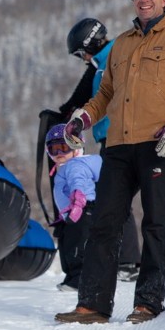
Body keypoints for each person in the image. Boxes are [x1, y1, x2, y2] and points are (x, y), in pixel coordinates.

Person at [55, 0, 165, 325]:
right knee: (104, 223)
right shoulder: (123, 44)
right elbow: (105, 95)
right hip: (119, 146)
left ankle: (147, 303)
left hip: (161, 144)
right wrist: (82, 119)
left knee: (157, 222)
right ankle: (93, 305)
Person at [57, 17, 141, 282]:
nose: (83, 59)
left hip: (120, 138)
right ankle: (125, 260)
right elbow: (88, 85)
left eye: (82, 53)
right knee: (113, 196)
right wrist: (69, 108)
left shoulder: (110, 61)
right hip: (114, 137)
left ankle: (127, 262)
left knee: (116, 196)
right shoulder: (103, 61)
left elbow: (101, 96)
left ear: (90, 46)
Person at [45, 124, 102, 293]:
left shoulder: (75, 166)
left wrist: (77, 204)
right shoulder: (67, 167)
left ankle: (78, 280)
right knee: (68, 245)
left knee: (77, 246)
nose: (59, 154)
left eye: (64, 148)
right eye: (54, 149)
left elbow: (78, 185)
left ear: (77, 148)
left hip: (81, 211)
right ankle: (72, 278)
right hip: (73, 213)